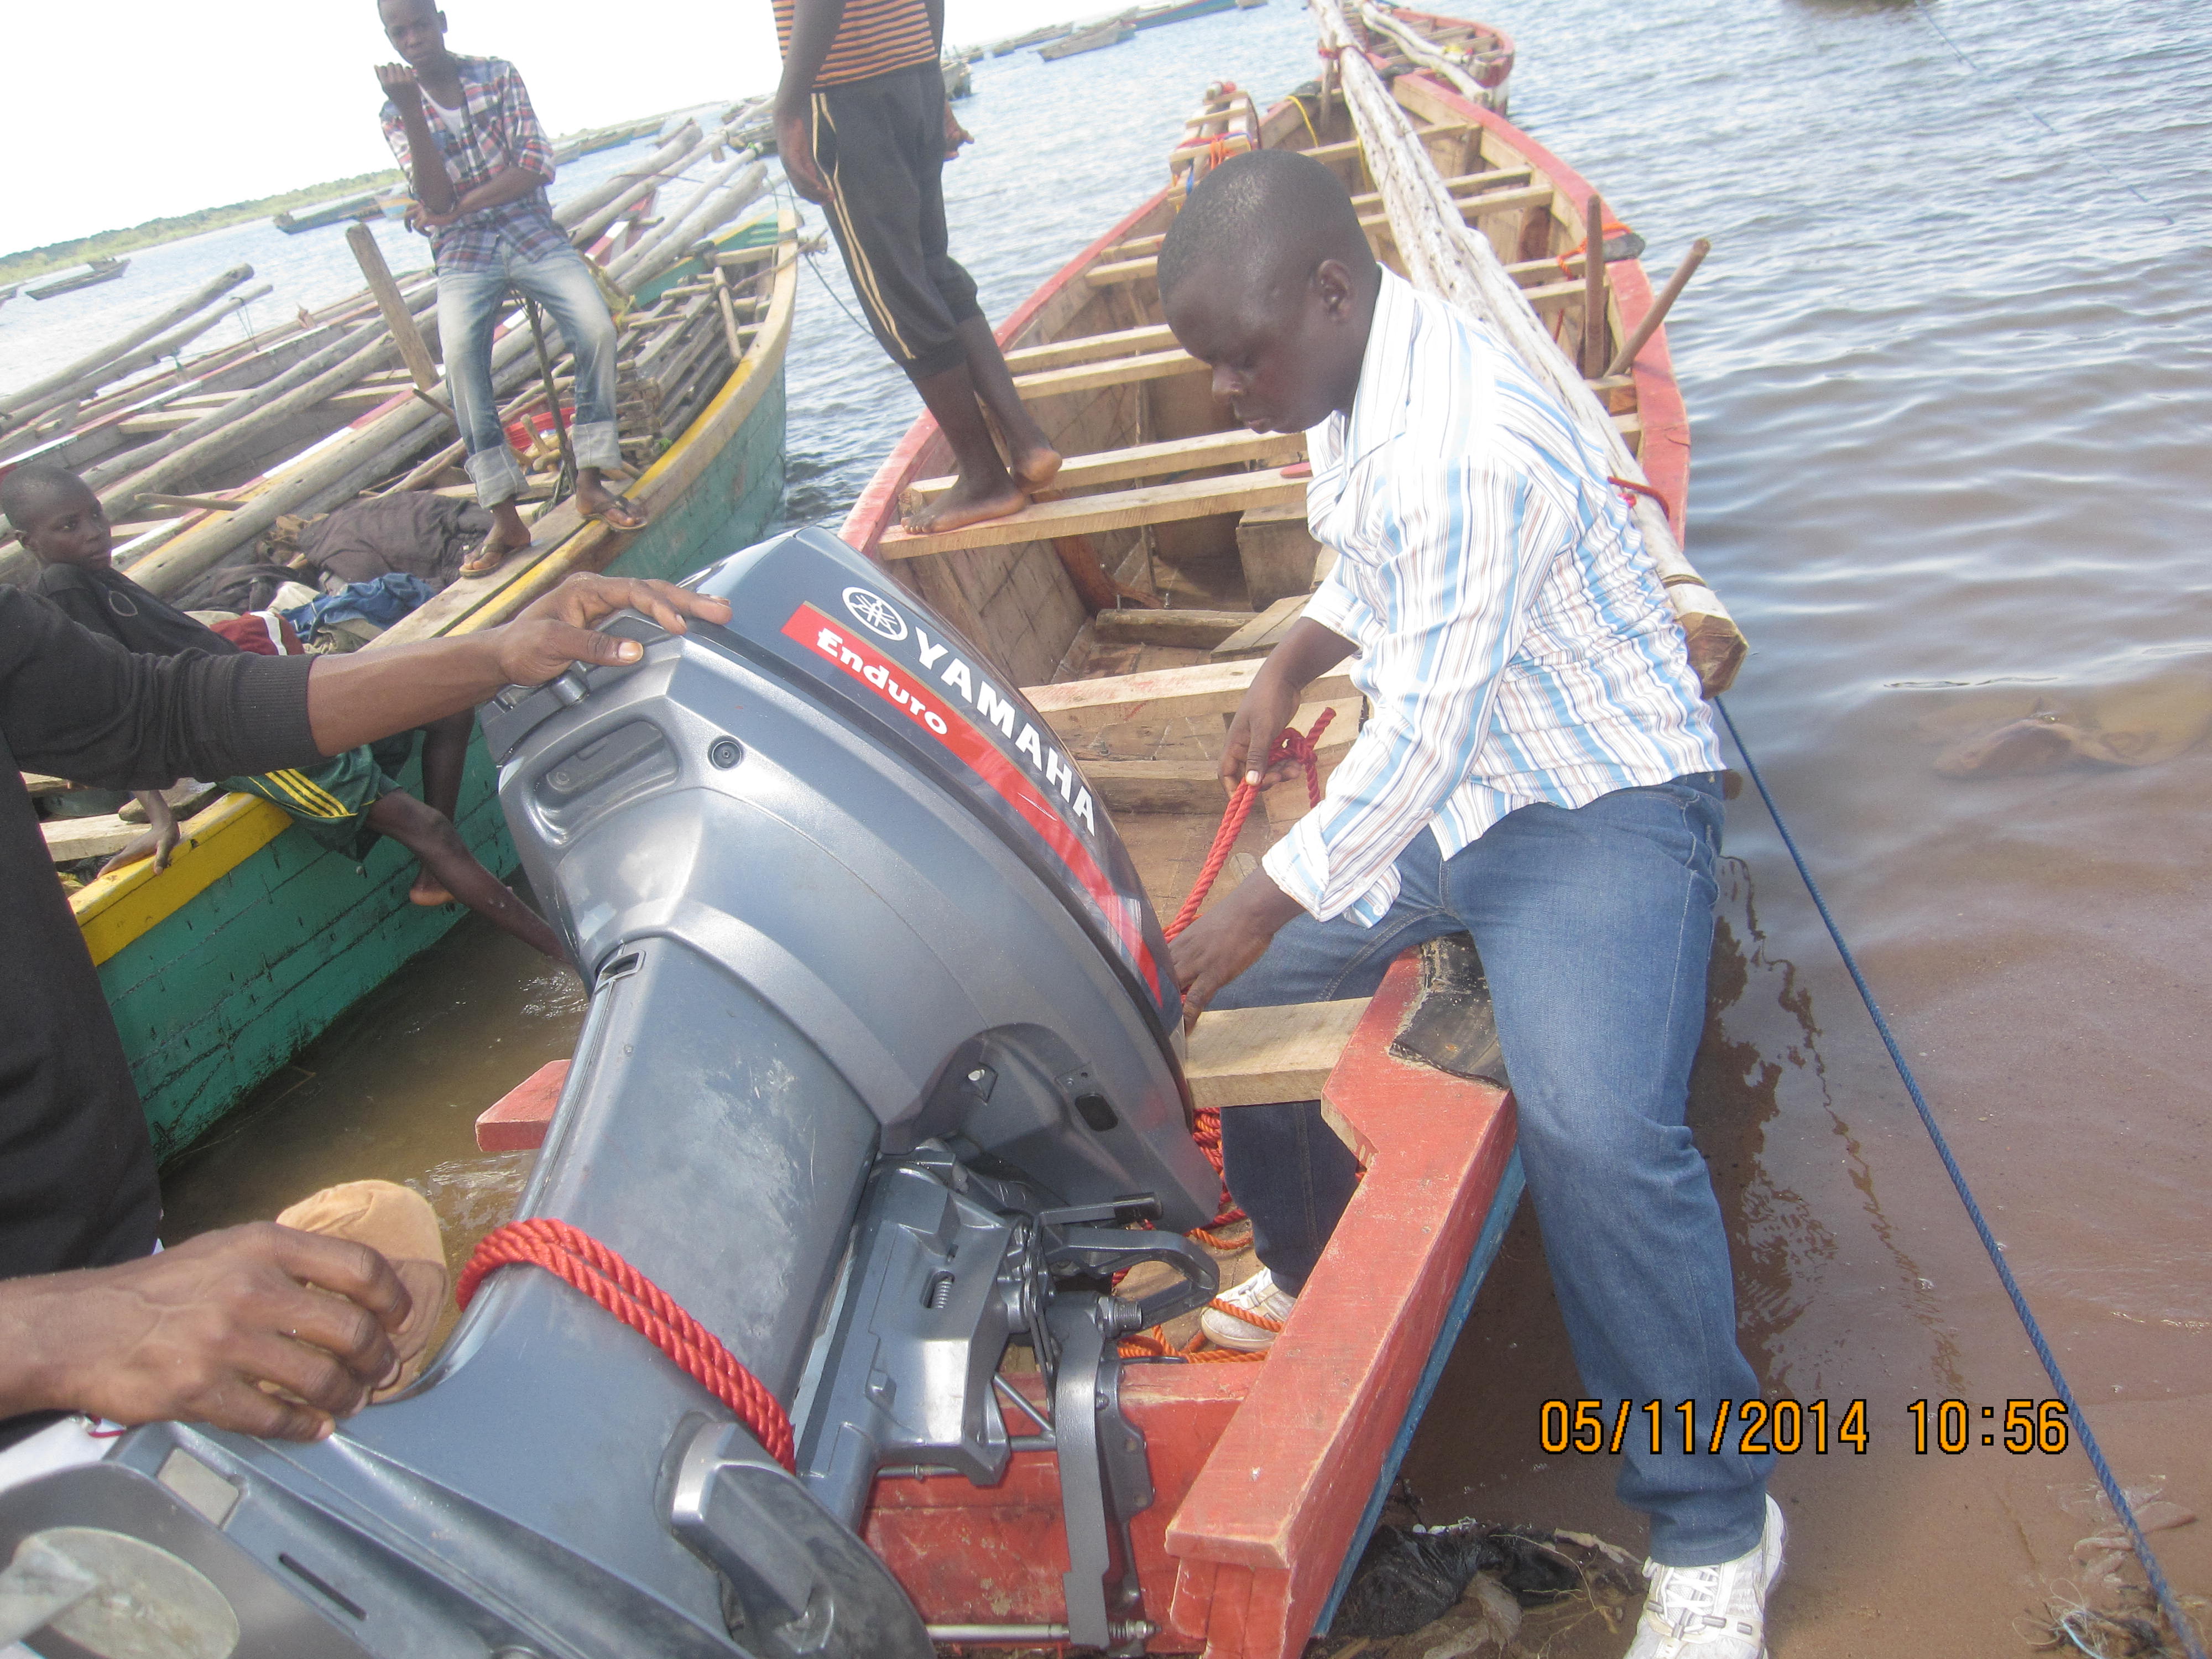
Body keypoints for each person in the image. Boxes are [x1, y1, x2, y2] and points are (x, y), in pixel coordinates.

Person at [1154, 150, 1783, 1659]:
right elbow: (1369, 570)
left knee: (1599, 1131)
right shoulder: (1349, 376)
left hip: (1594, 800)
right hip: (1465, 797)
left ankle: (1717, 1525)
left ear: (1331, 288)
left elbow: (1420, 736)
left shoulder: (1466, 444)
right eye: (1214, 365)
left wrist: (1249, 904)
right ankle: (1308, 1269)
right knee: (1254, 1011)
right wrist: (1287, 661)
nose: (1230, 392)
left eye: (1242, 359)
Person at [0, 566, 729, 1443]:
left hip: (107, 1255)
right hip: (47, 1372)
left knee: (392, 1234)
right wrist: (72, 1330)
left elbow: (157, 709)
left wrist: (494, 654)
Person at [6, 462, 562, 953]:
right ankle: (570, 961)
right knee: (432, 829)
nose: (94, 533)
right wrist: (159, 815)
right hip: (239, 737)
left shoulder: (93, 574)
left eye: (96, 516)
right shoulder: (62, 591)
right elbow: (113, 712)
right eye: (69, 527)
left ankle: (435, 875)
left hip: (261, 694)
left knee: (446, 706)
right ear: (28, 542)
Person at [374, 0, 648, 575]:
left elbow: (535, 166)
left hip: (530, 231)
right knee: (461, 365)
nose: (413, 39)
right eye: (399, 32)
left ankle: (590, 481)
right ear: (390, 39)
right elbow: (434, 196)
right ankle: (505, 518)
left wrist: (454, 208)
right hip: (463, 252)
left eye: (420, 24)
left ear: (441, 21)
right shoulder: (395, 111)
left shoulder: (496, 74)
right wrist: (414, 114)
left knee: (595, 328)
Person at [774, 0, 1061, 533]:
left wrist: (787, 110)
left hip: (845, 95)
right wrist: (932, 79)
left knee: (896, 291)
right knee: (931, 266)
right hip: (913, 77)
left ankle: (986, 478)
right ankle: (1027, 442)